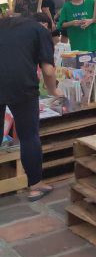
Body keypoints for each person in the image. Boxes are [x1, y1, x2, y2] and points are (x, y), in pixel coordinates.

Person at [0, 13, 62, 201]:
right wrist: (53, 91)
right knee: (28, 136)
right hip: (22, 86)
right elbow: (49, 70)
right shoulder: (39, 31)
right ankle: (35, 186)